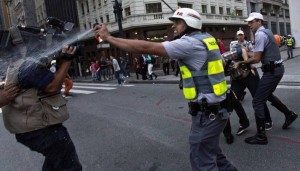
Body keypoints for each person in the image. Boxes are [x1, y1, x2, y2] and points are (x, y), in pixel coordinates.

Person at [94, 8, 237, 171]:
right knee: (213, 152)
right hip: (214, 110)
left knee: (202, 160)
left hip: (208, 114)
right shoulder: (206, 38)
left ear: (188, 23)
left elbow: (146, 48)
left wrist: (109, 37)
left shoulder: (189, 43)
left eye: (177, 22)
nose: (173, 27)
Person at [1, 45, 82, 170]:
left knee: (55, 162)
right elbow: (52, 87)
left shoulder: (14, 66)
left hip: (28, 129)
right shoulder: (26, 66)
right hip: (40, 128)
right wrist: (67, 60)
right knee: (69, 165)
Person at [234, 12, 298, 145]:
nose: (249, 24)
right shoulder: (267, 32)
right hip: (276, 69)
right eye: (249, 22)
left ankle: (261, 135)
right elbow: (259, 53)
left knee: (257, 101)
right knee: (267, 95)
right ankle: (289, 114)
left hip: (272, 71)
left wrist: (240, 62)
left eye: (252, 22)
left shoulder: (260, 35)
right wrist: (246, 52)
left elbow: (256, 59)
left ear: (259, 21)